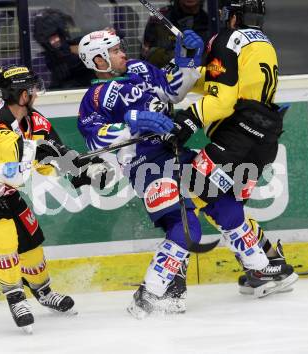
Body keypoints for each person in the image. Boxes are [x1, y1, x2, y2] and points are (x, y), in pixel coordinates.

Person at [0, 65, 113, 333]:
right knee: (3, 232)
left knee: (30, 242)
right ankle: (16, 298)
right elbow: (20, 166)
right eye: (32, 90)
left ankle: (43, 292)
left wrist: (85, 170)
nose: (36, 94)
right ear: (21, 95)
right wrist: (49, 157)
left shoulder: (33, 120)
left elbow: (55, 154)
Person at [76, 29, 225, 319]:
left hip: (177, 151)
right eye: (115, 50)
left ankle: (176, 287)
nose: (123, 53)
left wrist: (186, 61)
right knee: (185, 229)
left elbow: (173, 91)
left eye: (121, 48)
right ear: (99, 60)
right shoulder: (95, 97)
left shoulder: (139, 68)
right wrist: (131, 124)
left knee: (223, 195)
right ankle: (149, 294)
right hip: (144, 165)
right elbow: (94, 139)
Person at [169, 0, 298, 297]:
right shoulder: (263, 43)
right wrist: (189, 70)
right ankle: (270, 261)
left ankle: (257, 268)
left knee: (193, 187)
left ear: (233, 16)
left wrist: (190, 119)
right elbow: (220, 84)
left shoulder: (228, 39)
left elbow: (222, 101)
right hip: (263, 140)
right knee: (225, 205)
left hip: (237, 137)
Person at [141, 0, 209, 68]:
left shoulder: (211, 22)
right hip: (164, 75)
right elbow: (146, 58)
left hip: (200, 76)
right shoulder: (159, 18)